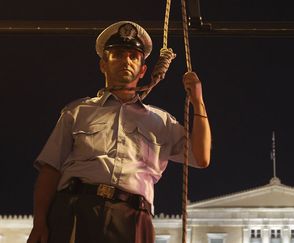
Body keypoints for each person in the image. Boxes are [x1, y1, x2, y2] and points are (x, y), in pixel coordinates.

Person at [27, 20, 211, 243]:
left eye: (133, 56)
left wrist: (198, 102)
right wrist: (39, 224)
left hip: (132, 217)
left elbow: (201, 157)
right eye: (118, 54)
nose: (126, 61)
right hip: (77, 209)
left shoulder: (160, 121)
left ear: (143, 70)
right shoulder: (77, 112)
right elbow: (50, 170)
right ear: (103, 64)